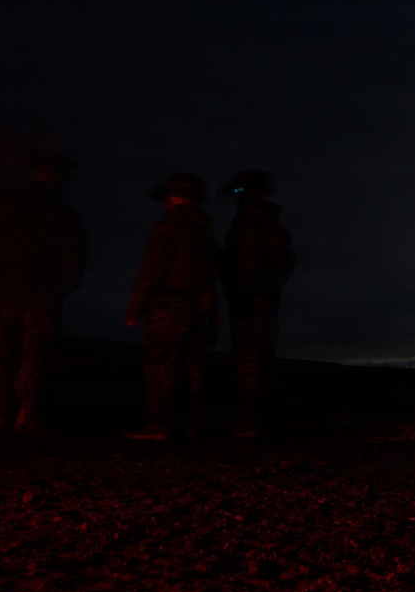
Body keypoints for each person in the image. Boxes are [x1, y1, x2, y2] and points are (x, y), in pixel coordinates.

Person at [0, 149, 88, 436]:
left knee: (0, 349)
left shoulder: (7, 205)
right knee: (34, 351)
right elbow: (73, 259)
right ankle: (27, 414)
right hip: (41, 290)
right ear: (61, 176)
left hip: (5, 288)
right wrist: (60, 290)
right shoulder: (65, 214)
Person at [125, 173, 220, 441]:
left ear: (175, 197)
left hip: (168, 306)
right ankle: (189, 425)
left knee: (161, 365)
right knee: (192, 368)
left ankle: (160, 425)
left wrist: (135, 308)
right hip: (197, 309)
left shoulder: (168, 227)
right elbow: (213, 272)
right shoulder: (206, 231)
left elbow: (152, 269)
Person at [218, 169, 295, 438]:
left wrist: (249, 295)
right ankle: (261, 421)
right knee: (259, 362)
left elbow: (246, 265)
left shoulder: (250, 226)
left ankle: (249, 424)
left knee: (249, 363)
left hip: (250, 305)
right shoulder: (270, 229)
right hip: (260, 304)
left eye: (240, 191)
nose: (237, 197)